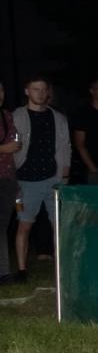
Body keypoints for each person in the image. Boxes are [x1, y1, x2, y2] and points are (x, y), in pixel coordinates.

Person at [10, 76, 71, 283]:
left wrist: (65, 176)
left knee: (59, 225)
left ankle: (63, 268)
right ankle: (22, 271)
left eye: (44, 89)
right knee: (24, 225)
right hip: (25, 181)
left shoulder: (58, 118)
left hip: (53, 180)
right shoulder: (15, 117)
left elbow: (65, 148)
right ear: (27, 91)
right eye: (36, 89)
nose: (41, 93)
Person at [0, 83, 20, 283]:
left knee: (2, 225)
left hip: (6, 177)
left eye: (1, 90)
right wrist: (3, 148)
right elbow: (6, 147)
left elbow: (13, 146)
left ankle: (4, 272)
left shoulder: (7, 115)